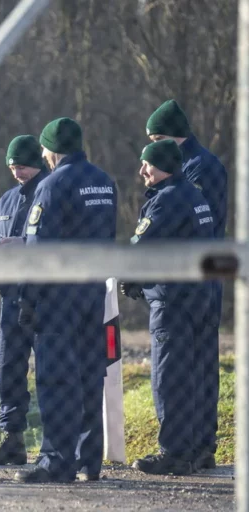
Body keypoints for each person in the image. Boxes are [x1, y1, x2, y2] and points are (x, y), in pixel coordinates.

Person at [15, 118, 117, 483]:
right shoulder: (104, 182)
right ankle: (88, 459)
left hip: (57, 298)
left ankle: (55, 461)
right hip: (93, 293)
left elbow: (36, 248)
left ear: (52, 151)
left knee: (57, 377)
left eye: (44, 150)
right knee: (90, 373)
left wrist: (27, 297)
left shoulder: (52, 184)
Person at [120, 139, 214, 476]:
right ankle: (198, 448)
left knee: (169, 377)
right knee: (195, 375)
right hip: (198, 298)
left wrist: (128, 275)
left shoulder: (166, 200)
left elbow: (142, 245)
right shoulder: (195, 195)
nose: (142, 170)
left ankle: (173, 452)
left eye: (149, 164)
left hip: (172, 301)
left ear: (166, 167)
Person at [146, 100, 228, 470]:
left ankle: (181, 449)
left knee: (178, 368)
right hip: (206, 282)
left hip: (184, 285)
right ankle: (200, 445)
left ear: (171, 137)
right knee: (200, 365)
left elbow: (188, 226)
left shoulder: (191, 171)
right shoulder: (206, 163)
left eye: (156, 139)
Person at [0, 135, 49, 466]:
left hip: (47, 299)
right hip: (11, 299)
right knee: (7, 370)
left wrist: (25, 243)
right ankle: (13, 440)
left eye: (23, 167)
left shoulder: (51, 192)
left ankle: (56, 444)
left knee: (51, 371)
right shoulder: (5, 201)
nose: (18, 173)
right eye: (13, 167)